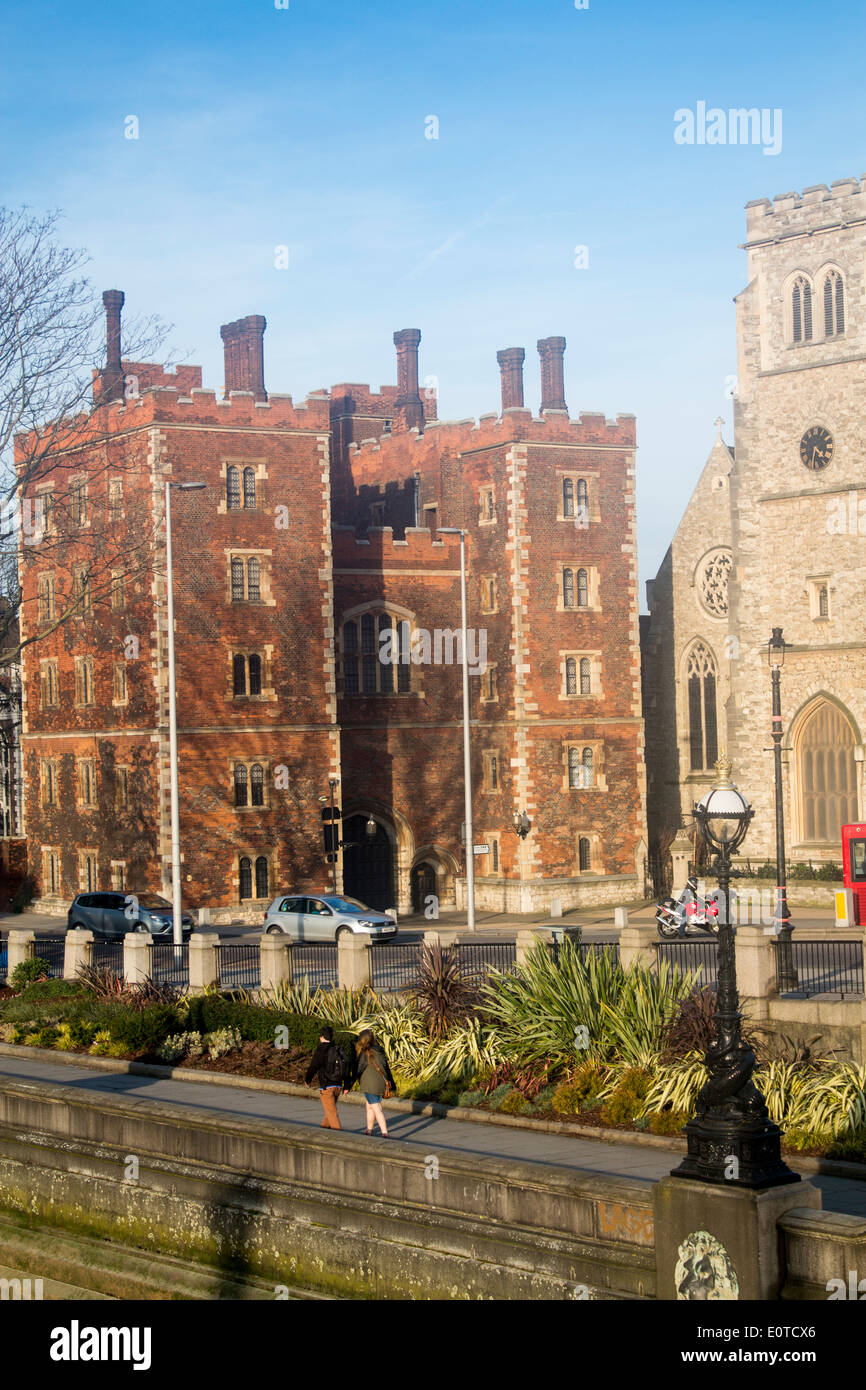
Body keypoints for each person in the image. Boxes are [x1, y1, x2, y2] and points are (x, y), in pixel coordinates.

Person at [352, 1028, 396, 1137]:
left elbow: (359, 1070)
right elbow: (387, 1069)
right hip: (381, 1083)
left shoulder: (364, 1053)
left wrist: (350, 1083)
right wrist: (392, 1084)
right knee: (369, 1106)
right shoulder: (380, 1051)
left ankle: (384, 1132)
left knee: (376, 1108)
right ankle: (369, 1129)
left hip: (369, 1085)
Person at [304, 1024, 348, 1129]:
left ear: (322, 1037)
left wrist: (307, 1080)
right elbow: (346, 1066)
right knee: (329, 1113)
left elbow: (314, 1066)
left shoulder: (321, 1049)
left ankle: (339, 1140)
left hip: (327, 1086)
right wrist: (346, 1085)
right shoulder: (338, 1049)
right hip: (338, 1086)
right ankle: (322, 1132)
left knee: (332, 1114)